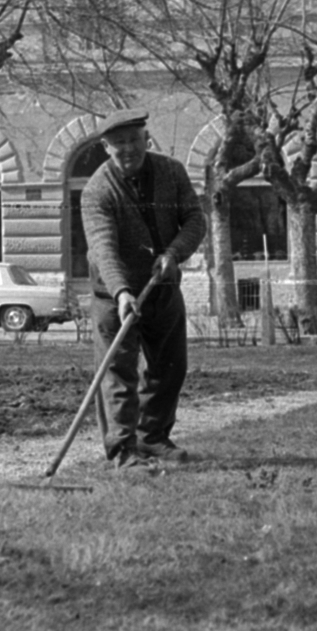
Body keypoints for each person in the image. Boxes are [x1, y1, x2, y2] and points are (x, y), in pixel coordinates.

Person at [80, 108, 207, 468]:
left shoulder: (171, 171)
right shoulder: (96, 191)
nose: (128, 149)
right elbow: (103, 247)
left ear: (146, 140)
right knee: (118, 373)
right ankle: (122, 450)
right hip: (114, 296)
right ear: (106, 148)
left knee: (170, 367)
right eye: (118, 144)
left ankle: (152, 438)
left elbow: (195, 219)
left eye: (134, 140)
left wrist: (174, 253)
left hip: (163, 287)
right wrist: (121, 292)